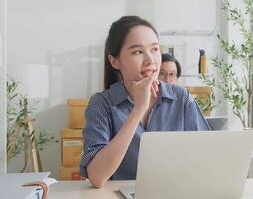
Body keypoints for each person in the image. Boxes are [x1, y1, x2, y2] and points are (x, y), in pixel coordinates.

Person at [80, 16, 210, 188]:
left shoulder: (181, 98)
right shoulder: (101, 104)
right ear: (115, 61)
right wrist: (138, 110)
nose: (150, 60)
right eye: (138, 52)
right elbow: (97, 176)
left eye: (155, 49)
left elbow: (207, 157)